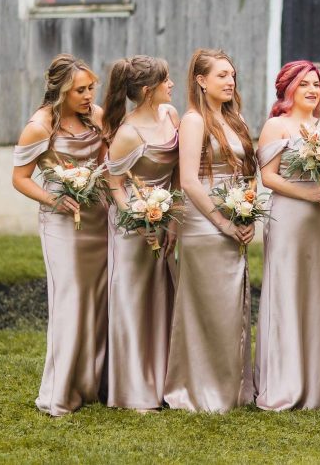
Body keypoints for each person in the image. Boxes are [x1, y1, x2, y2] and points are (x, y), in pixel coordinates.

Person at [11, 54, 108, 416]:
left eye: (91, 88)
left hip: (98, 220)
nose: (88, 95)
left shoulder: (95, 117)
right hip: (62, 225)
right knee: (70, 301)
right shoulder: (40, 126)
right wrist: (55, 198)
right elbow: (19, 178)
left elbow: (108, 161)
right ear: (62, 91)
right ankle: (59, 392)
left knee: (97, 301)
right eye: (80, 90)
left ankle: (90, 383)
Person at [164, 49, 257, 413]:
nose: (230, 81)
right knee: (206, 308)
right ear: (201, 80)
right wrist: (222, 221)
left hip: (235, 216)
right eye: (221, 75)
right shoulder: (193, 121)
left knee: (232, 308)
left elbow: (247, 175)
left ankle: (230, 386)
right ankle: (197, 389)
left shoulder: (235, 120)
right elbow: (188, 180)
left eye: (232, 75)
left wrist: (247, 215)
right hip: (205, 224)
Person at [255, 60, 320, 410]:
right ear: (288, 89)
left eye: (317, 84)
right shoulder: (276, 126)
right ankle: (286, 381)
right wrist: (309, 194)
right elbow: (269, 177)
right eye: (305, 84)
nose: (313, 90)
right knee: (289, 289)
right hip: (290, 218)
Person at [102, 55, 179, 410]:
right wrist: (137, 215)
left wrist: (170, 219)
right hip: (133, 227)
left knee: (161, 297)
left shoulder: (170, 115)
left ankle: (161, 379)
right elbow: (113, 183)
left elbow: (177, 171)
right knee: (133, 301)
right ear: (148, 91)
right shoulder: (128, 133)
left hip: (164, 218)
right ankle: (132, 389)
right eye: (166, 81)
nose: (172, 85)